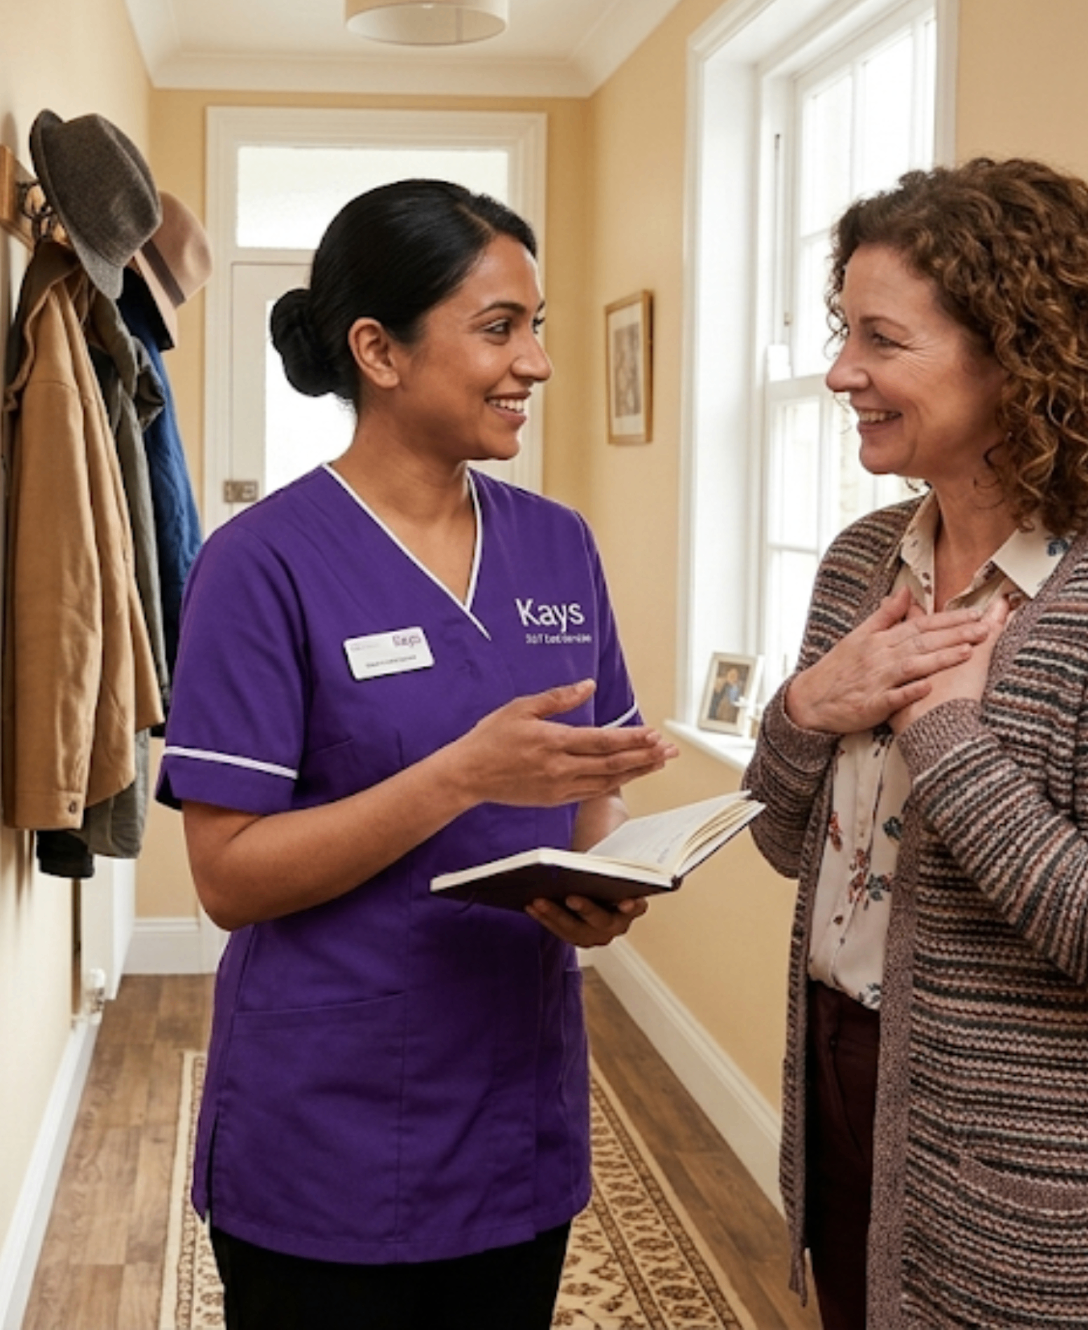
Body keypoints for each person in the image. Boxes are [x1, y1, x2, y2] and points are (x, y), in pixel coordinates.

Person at [156, 179, 678, 1330]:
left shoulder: (557, 546)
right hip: (326, 1124)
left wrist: (605, 883)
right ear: (378, 351)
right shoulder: (261, 564)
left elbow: (591, 802)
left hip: (512, 1111)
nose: (535, 362)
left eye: (536, 325)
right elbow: (228, 879)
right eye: (500, 328)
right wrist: (461, 774)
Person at [742, 158, 1088, 1328]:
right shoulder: (864, 564)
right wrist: (806, 711)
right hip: (843, 1089)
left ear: (1014, 354)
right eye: (840, 331)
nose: (840, 373)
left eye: (880, 340)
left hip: (1029, 1191)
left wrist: (950, 738)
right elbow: (782, 842)